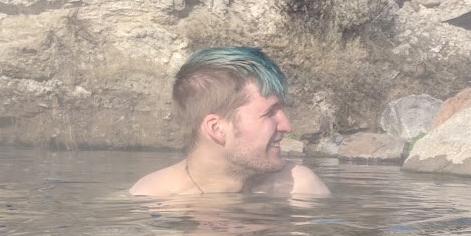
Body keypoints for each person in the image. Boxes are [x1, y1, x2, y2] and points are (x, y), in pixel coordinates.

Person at [129, 46, 331, 199]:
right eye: (270, 112)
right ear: (217, 128)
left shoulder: (299, 189)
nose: (287, 126)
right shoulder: (154, 201)